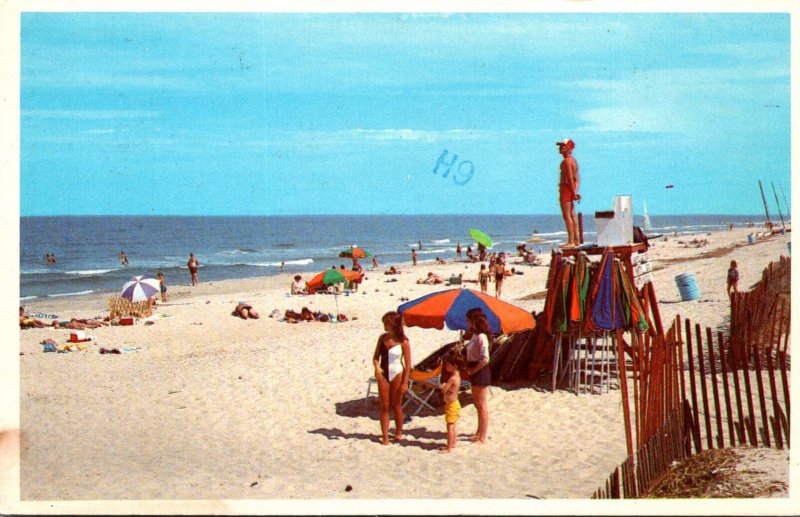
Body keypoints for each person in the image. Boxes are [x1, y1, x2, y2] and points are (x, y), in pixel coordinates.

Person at [372, 311, 411, 445]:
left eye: (386, 323)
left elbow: (408, 364)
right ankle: (385, 436)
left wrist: (405, 382)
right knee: (384, 406)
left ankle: (398, 432)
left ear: (392, 324)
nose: (384, 325)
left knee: (396, 405)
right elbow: (376, 357)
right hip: (383, 373)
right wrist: (376, 368)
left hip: (397, 373)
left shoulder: (403, 341)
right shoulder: (382, 338)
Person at [465, 308, 491, 444]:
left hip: (480, 371)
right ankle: (478, 432)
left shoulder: (481, 337)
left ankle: (482, 437)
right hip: (474, 369)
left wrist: (474, 370)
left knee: (481, 405)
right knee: (477, 404)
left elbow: (485, 358)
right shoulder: (474, 335)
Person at [438, 351, 466, 453]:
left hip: (451, 405)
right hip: (454, 403)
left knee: (450, 425)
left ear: (454, 366)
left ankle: (449, 447)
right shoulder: (457, 376)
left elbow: (444, 390)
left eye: (448, 365)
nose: (446, 367)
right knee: (453, 424)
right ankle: (452, 443)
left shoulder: (452, 378)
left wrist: (443, 386)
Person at [556, 138, 581, 248]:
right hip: (570, 189)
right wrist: (575, 191)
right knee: (572, 215)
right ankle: (576, 240)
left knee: (567, 216)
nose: (560, 148)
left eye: (563, 147)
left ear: (569, 149)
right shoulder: (573, 161)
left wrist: (573, 192)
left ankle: (571, 241)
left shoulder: (566, 161)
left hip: (566, 188)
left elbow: (571, 178)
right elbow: (576, 179)